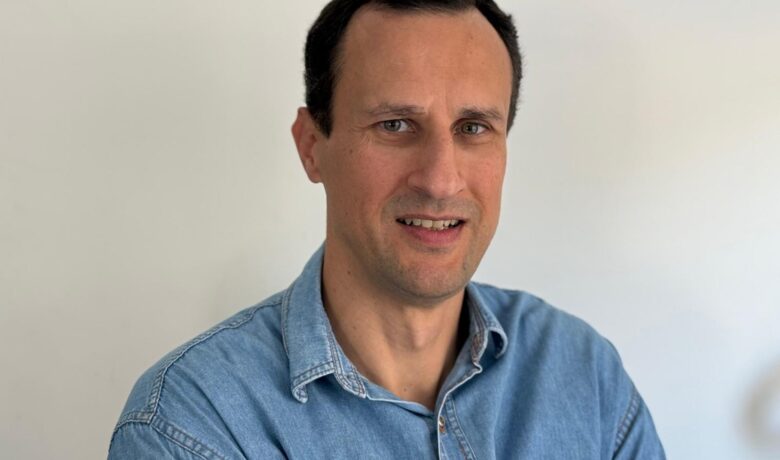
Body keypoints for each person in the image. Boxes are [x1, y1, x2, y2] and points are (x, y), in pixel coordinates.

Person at [109, 1, 666, 458]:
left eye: (473, 128)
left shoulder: (584, 375)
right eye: (395, 124)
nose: (441, 181)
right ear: (311, 147)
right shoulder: (191, 425)